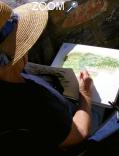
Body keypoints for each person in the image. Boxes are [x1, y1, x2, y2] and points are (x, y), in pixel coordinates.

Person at [0, 1, 98, 155]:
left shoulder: (11, 81)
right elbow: (77, 134)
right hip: (67, 127)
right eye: (22, 43)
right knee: (99, 112)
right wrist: (85, 95)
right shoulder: (33, 104)